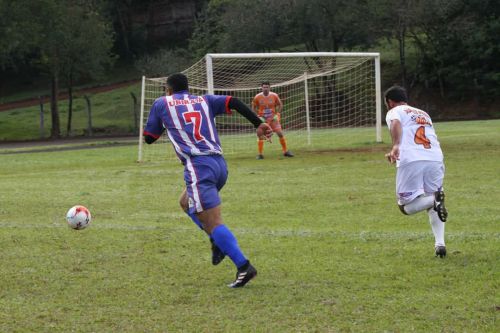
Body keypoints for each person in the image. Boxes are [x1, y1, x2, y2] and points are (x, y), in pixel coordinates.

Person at [143, 73, 273, 287]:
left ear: (168, 90)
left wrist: (154, 129)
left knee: (213, 222)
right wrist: (257, 123)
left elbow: (150, 138)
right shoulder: (204, 100)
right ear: (188, 88)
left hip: (198, 166)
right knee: (185, 203)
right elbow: (234, 101)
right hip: (219, 165)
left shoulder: (161, 103)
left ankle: (243, 266)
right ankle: (216, 240)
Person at [384, 85, 448, 258]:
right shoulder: (423, 113)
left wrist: (396, 145)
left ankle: (434, 200)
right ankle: (440, 244)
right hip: (435, 158)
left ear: (390, 102)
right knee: (434, 201)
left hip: (412, 159)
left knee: (405, 207)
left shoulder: (395, 111)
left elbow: (396, 123)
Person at [252, 81, 294, 159]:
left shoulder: (274, 95)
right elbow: (253, 108)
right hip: (263, 120)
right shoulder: (257, 97)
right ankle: (260, 154)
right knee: (260, 134)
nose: (265, 89)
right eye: (264, 87)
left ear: (269, 88)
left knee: (280, 133)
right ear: (261, 88)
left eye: (267, 87)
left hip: (273, 119)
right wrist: (257, 117)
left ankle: (285, 151)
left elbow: (280, 105)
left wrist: (277, 114)